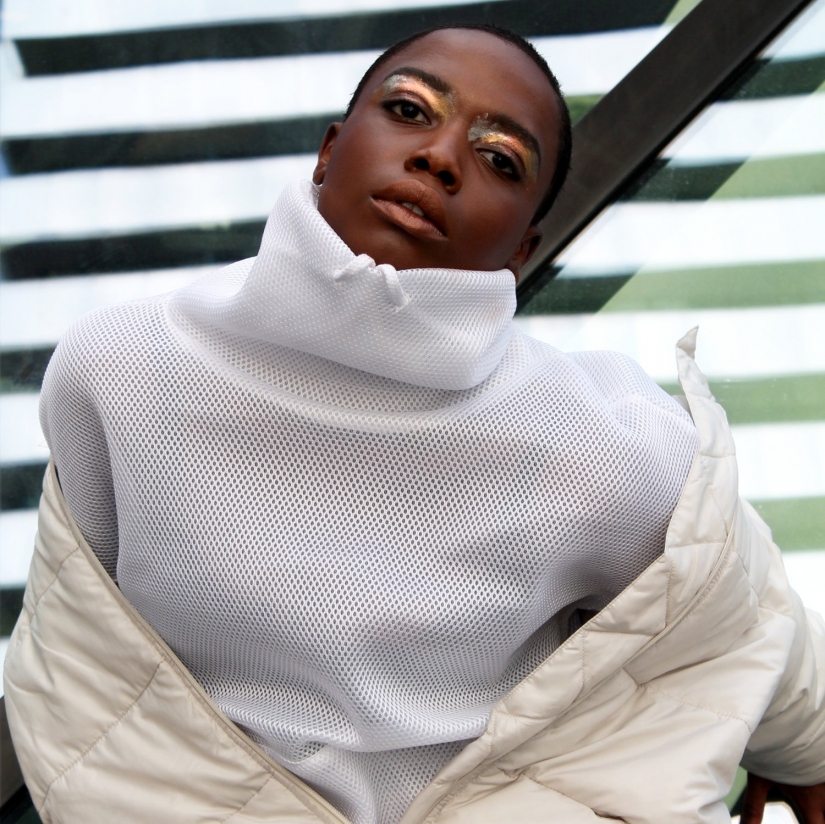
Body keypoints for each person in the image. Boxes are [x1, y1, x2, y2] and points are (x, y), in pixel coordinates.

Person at [4, 24, 824, 824]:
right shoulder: (121, 367)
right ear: (329, 150)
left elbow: (737, 606)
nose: (439, 156)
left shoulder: (596, 438)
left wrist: (812, 751)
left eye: (499, 159)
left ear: (522, 248)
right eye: (408, 111)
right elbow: (83, 656)